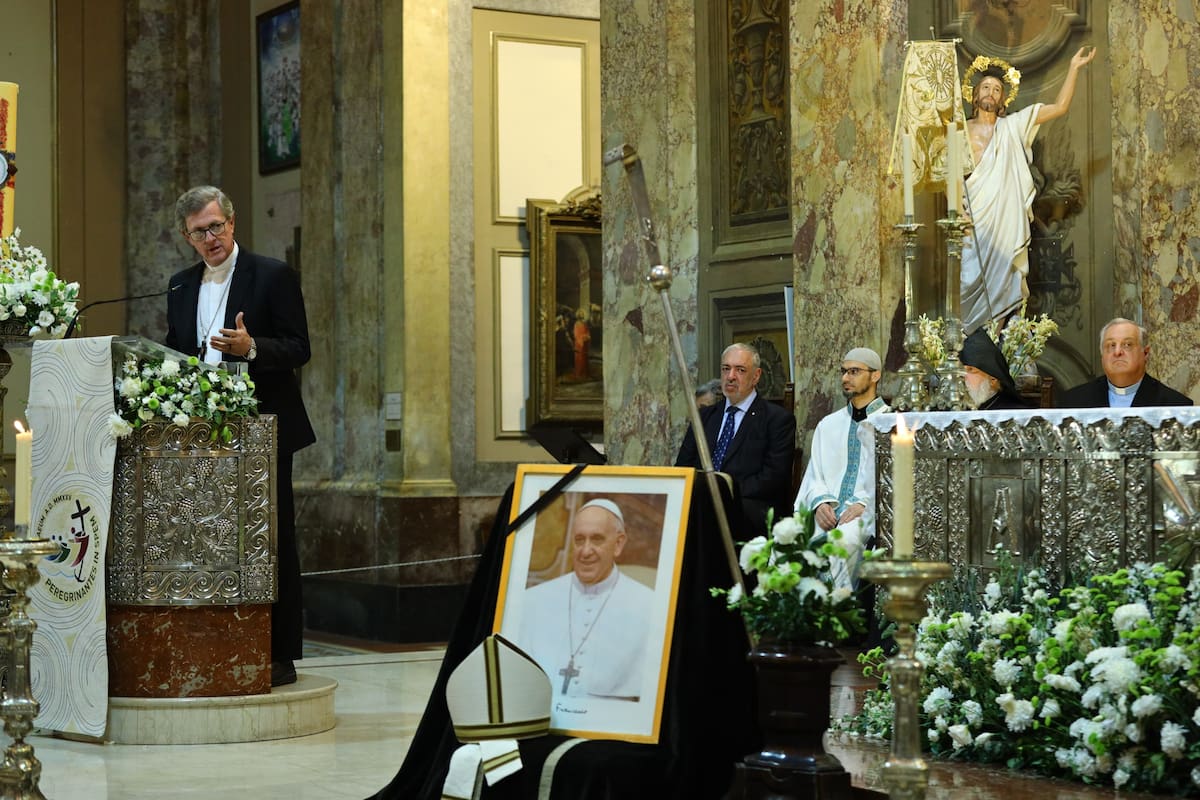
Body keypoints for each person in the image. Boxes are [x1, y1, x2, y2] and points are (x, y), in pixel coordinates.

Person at [165, 185, 316, 687]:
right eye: (198, 232)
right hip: (202, 436)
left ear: (232, 223)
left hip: (263, 429)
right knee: (209, 539)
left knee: (272, 539)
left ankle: (279, 652)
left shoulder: (271, 275)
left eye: (216, 227)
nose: (210, 238)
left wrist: (252, 349)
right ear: (187, 238)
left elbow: (299, 347)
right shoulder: (180, 286)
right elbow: (174, 352)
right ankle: (219, 641)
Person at [959, 46, 1096, 333]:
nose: (990, 93)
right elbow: (953, 179)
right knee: (969, 279)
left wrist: (1072, 67)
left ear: (1003, 100)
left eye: (997, 89)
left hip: (1007, 222)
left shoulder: (1013, 127)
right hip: (975, 222)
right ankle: (972, 347)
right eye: (985, 87)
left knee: (1007, 282)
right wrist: (959, 212)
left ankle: (1002, 342)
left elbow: (1059, 108)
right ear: (974, 96)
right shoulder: (960, 132)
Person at [515, 499, 654, 700]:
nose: (586, 551)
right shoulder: (532, 601)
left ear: (618, 543)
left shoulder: (649, 606)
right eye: (579, 540)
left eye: (597, 539)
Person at [675, 343, 796, 535]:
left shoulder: (777, 420)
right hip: (701, 502)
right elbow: (683, 466)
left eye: (740, 370)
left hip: (747, 507)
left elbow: (773, 479)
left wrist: (723, 493)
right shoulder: (704, 417)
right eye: (726, 369)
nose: (730, 376)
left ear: (756, 376)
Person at [794, 347, 888, 587]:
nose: (846, 378)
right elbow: (814, 475)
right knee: (789, 543)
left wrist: (864, 503)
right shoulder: (828, 424)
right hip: (826, 514)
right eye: (844, 372)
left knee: (840, 545)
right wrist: (819, 502)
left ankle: (839, 616)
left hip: (866, 514)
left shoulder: (891, 423)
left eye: (854, 372)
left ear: (875, 375)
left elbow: (896, 478)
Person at [1058, 318, 1191, 408]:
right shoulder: (1073, 402)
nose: (1117, 352)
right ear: (1102, 355)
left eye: (1127, 345)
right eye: (1111, 345)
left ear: (1145, 353)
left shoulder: (1175, 405)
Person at [959, 329, 1030, 410]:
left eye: (971, 370)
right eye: (961, 370)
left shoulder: (1015, 414)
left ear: (993, 379)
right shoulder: (955, 412)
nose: (962, 376)